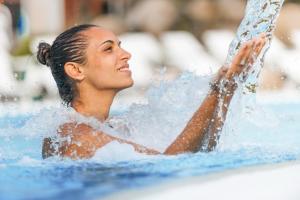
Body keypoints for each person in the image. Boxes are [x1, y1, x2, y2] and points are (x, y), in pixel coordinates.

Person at [38, 24, 266, 159]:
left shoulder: (115, 127)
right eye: (109, 49)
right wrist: (215, 90)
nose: (126, 54)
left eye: (120, 45)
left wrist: (228, 88)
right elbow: (170, 163)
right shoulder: (73, 136)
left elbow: (199, 152)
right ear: (76, 70)